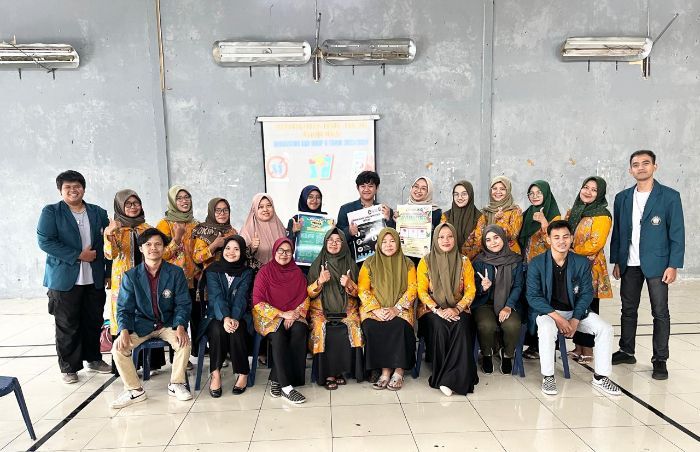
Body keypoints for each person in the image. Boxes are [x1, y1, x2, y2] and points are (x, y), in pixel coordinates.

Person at [610, 150, 685, 380]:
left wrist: (673, 265)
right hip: (629, 263)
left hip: (658, 264)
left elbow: (677, 233)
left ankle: (660, 359)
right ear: (630, 170)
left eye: (645, 163)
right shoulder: (622, 198)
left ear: (655, 166)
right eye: (636, 164)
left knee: (660, 312)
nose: (640, 168)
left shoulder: (670, 196)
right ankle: (626, 350)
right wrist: (617, 260)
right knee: (628, 309)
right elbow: (618, 232)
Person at [527, 220, 621, 396]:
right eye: (556, 237)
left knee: (605, 329)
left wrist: (575, 319)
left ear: (571, 238)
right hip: (547, 312)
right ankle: (548, 377)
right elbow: (533, 296)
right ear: (548, 239)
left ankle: (601, 377)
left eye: (565, 237)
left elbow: (586, 294)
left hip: (574, 311)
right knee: (547, 329)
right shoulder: (537, 263)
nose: (561, 241)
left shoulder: (581, 262)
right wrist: (558, 318)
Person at [37, 170, 112, 384]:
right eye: (67, 187)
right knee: (67, 324)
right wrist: (79, 255)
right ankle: (69, 367)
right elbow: (45, 241)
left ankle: (94, 359)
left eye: (77, 186)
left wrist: (107, 272)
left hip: (94, 277)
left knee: (93, 320)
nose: (73, 190)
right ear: (60, 190)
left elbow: (108, 243)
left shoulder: (98, 212)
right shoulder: (51, 212)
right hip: (64, 279)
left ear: (83, 188)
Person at [109, 228, 193, 408]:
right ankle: (134, 390)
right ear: (141, 248)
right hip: (142, 324)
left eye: (158, 244)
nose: (153, 248)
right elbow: (123, 308)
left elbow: (183, 304)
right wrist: (124, 330)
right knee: (118, 348)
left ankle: (176, 384)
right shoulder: (131, 276)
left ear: (164, 248)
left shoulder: (175, 273)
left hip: (168, 323)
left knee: (184, 343)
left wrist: (180, 326)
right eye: (148, 244)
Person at [416, 223, 478, 396]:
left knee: (461, 325)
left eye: (450, 236)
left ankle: (447, 380)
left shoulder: (464, 261)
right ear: (435, 239)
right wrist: (438, 310)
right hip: (431, 310)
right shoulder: (425, 261)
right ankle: (446, 376)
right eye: (441, 237)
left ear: (455, 239)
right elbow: (421, 291)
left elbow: (471, 290)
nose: (446, 240)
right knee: (440, 326)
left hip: (458, 308)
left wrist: (457, 309)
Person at [252, 238, 310, 404]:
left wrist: (295, 314)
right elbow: (258, 302)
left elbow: (305, 298)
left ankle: (277, 379)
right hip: (269, 317)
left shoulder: (297, 273)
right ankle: (286, 387)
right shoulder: (265, 272)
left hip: (293, 314)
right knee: (279, 335)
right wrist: (283, 314)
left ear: (292, 253)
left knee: (299, 330)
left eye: (288, 251)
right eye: (280, 250)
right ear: (274, 251)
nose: (284, 254)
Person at [358, 228, 417, 391]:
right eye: (384, 242)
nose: (388, 245)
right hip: (375, 309)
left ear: (398, 243)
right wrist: (376, 309)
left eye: (392, 241)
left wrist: (396, 308)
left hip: (401, 308)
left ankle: (399, 371)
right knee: (373, 326)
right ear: (378, 244)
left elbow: (413, 288)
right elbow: (362, 289)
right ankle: (385, 371)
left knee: (400, 326)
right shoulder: (369, 263)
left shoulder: (408, 264)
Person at [307, 228, 364, 390]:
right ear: (325, 243)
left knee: (351, 326)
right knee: (323, 329)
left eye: (338, 240)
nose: (333, 243)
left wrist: (349, 284)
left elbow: (360, 293)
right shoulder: (317, 264)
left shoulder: (350, 264)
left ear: (343, 243)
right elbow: (309, 293)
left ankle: (341, 371)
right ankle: (328, 374)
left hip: (347, 310)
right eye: (330, 240)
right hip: (321, 311)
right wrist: (319, 282)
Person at [565, 177, 613, 365]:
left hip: (590, 268)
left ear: (599, 194)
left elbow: (596, 243)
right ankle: (578, 347)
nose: (588, 192)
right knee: (576, 305)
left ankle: (588, 349)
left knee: (589, 306)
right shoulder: (575, 211)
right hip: (574, 266)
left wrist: (572, 250)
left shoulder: (602, 215)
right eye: (585, 187)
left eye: (594, 190)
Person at [201, 236, 252, 397]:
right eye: (228, 248)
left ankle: (243, 373)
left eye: (236, 249)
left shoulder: (246, 272)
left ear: (242, 252)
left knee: (237, 330)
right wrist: (225, 317)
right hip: (216, 314)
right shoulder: (212, 270)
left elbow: (241, 297)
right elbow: (216, 296)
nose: (231, 252)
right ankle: (215, 373)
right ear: (222, 250)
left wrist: (234, 318)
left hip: (240, 314)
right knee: (217, 330)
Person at [472, 225, 524, 375]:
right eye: (488, 240)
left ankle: (507, 355)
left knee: (512, 324)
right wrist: (483, 288)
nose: (493, 242)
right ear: (484, 243)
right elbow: (473, 287)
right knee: (486, 325)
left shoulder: (515, 260)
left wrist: (508, 306)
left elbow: (518, 286)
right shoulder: (479, 261)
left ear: (503, 238)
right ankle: (487, 355)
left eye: (496, 237)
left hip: (509, 303)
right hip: (485, 304)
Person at [157, 186, 201, 360]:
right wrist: (176, 238)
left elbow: (198, 253)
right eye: (179, 198)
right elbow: (160, 254)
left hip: (193, 278)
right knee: (174, 319)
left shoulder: (195, 224)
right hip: (171, 280)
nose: (184, 201)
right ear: (172, 201)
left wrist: (200, 270)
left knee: (196, 316)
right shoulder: (164, 224)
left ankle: (197, 352)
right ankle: (178, 356)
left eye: (187, 197)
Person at [518, 180, 561, 360]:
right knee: (528, 305)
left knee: (541, 306)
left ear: (546, 194)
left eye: (539, 193)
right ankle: (531, 344)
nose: (535, 196)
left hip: (545, 269)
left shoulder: (554, 217)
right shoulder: (528, 213)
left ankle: (544, 346)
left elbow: (556, 244)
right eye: (531, 193)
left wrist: (544, 223)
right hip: (526, 267)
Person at [336, 171, 396, 260]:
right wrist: (349, 232)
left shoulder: (386, 210)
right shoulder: (346, 209)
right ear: (357, 188)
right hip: (354, 261)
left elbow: (395, 237)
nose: (366, 189)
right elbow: (337, 236)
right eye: (363, 186)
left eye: (370, 186)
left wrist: (389, 220)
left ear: (377, 188)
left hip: (381, 260)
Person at [472, 176, 523, 259]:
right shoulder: (485, 211)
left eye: (502, 189)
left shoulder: (515, 211)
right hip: (488, 256)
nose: (498, 192)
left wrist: (501, 220)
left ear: (508, 191)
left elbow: (513, 235)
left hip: (509, 256)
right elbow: (479, 237)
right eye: (494, 188)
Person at [240, 193, 288, 269]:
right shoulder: (247, 230)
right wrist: (252, 247)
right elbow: (240, 256)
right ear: (254, 209)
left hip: (280, 270)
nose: (265, 210)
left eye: (269, 205)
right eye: (261, 207)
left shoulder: (280, 226)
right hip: (257, 273)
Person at [192, 197, 237, 270]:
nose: (222, 213)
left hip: (231, 273)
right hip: (212, 274)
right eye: (218, 210)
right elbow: (197, 258)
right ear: (211, 212)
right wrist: (215, 245)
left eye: (225, 210)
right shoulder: (204, 231)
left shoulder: (232, 231)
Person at [441, 180, 481, 258]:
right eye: (456, 194)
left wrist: (463, 260)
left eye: (464, 194)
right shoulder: (446, 216)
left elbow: (478, 244)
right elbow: (441, 239)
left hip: (472, 261)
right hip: (448, 259)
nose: (460, 198)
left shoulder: (479, 217)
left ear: (470, 195)